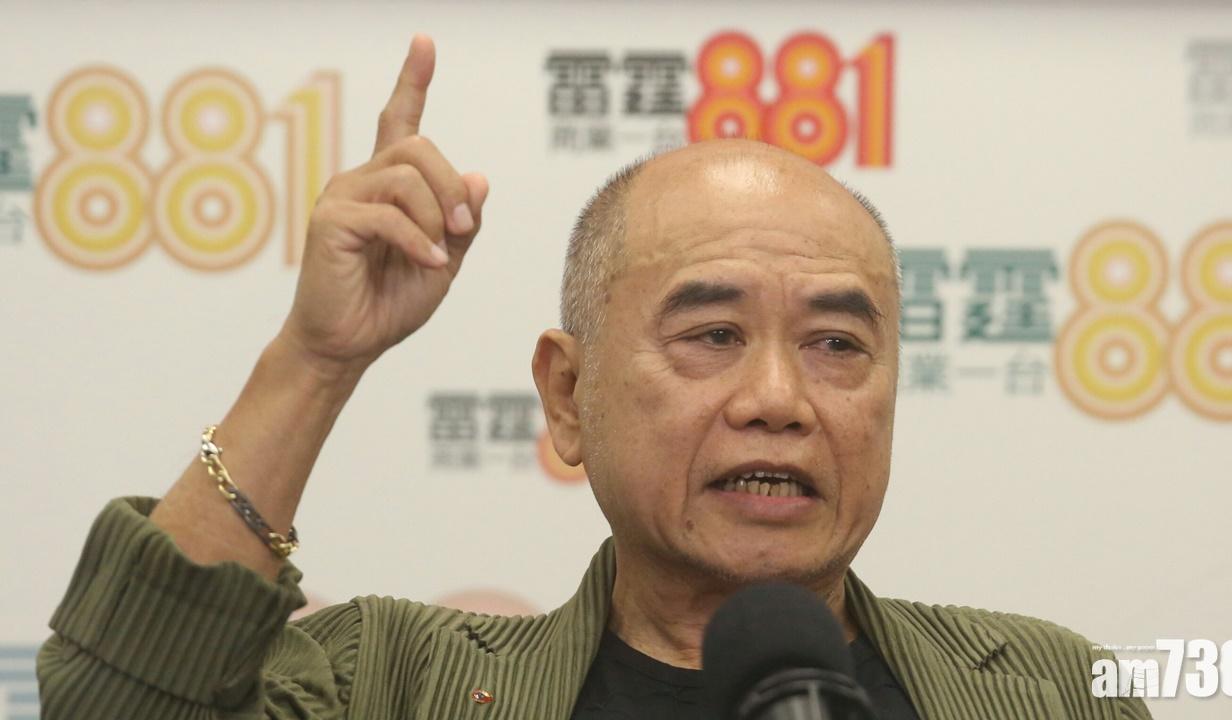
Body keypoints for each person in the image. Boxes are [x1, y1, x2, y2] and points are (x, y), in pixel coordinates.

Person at [38, 35, 1151, 720]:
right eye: (712, 334)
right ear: (567, 398)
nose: (778, 400)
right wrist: (316, 360)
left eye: (836, 344)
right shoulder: (391, 682)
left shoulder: (1045, 691)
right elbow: (117, 701)